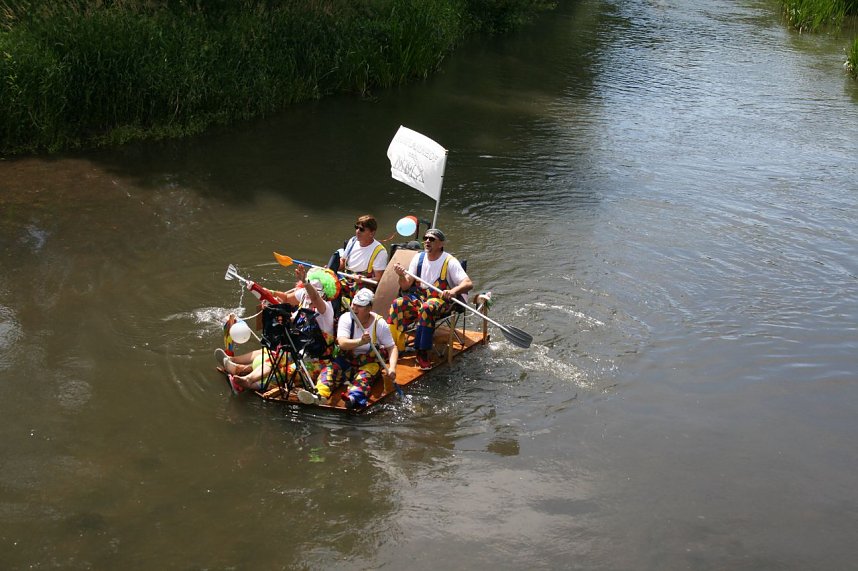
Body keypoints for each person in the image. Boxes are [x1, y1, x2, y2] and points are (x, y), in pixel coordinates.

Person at [216, 265, 337, 394]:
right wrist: (269, 293)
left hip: (316, 360)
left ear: (324, 294)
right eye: (308, 289)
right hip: (297, 350)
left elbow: (315, 298)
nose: (308, 294)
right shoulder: (304, 296)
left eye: (314, 290)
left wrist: (305, 282)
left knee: (281, 373)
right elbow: (285, 298)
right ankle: (236, 365)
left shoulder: (325, 309)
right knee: (273, 353)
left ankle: (248, 382)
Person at [298, 288, 398, 409]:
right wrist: (360, 341)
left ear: (369, 308)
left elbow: (391, 347)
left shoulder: (379, 323)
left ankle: (354, 398)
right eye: (353, 304)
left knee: (363, 379)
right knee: (329, 371)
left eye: (360, 306)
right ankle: (320, 394)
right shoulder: (346, 318)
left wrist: (392, 367)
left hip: (368, 363)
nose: (355, 308)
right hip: (346, 359)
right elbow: (342, 343)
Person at [388, 228, 473, 371]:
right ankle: (393, 346)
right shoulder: (418, 258)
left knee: (427, 308)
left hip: (442, 302)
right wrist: (401, 276)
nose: (427, 241)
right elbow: (405, 285)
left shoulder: (449, 261)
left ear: (441, 244)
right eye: (425, 238)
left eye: (432, 239)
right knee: (398, 304)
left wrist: (453, 291)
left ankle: (422, 352)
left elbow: (468, 284)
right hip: (420, 297)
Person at [336, 214, 388, 299]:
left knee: (358, 289)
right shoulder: (352, 241)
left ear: (372, 233)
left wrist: (362, 280)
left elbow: (379, 279)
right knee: (327, 281)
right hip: (346, 279)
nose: (357, 231)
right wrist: (332, 268)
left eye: (362, 229)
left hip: (363, 284)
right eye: (356, 227)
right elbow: (343, 261)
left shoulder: (380, 251)